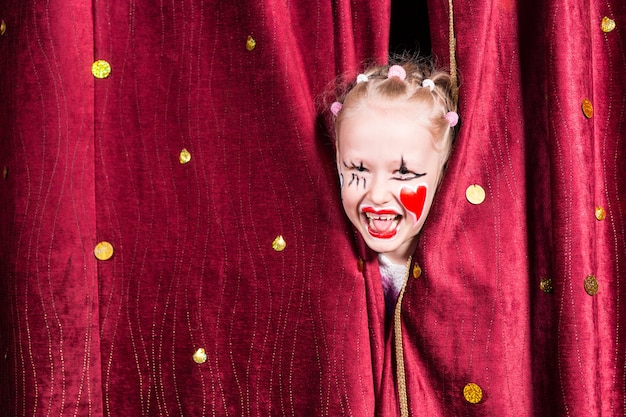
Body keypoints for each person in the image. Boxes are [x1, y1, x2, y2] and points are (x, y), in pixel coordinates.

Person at [330, 58, 458, 318]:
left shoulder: (457, 273)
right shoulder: (335, 273)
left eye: (403, 173)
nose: (377, 195)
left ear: (444, 171)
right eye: (358, 168)